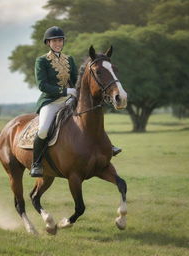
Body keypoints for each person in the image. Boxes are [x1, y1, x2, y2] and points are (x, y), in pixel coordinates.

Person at [30, 26, 121, 178]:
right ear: (48, 43)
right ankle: (36, 163)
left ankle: (107, 146)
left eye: (60, 40)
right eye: (54, 41)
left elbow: (74, 80)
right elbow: (42, 85)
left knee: (90, 119)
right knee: (44, 129)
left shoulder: (69, 59)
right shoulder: (42, 61)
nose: (58, 43)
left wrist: (77, 92)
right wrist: (65, 91)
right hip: (50, 101)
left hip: (70, 99)